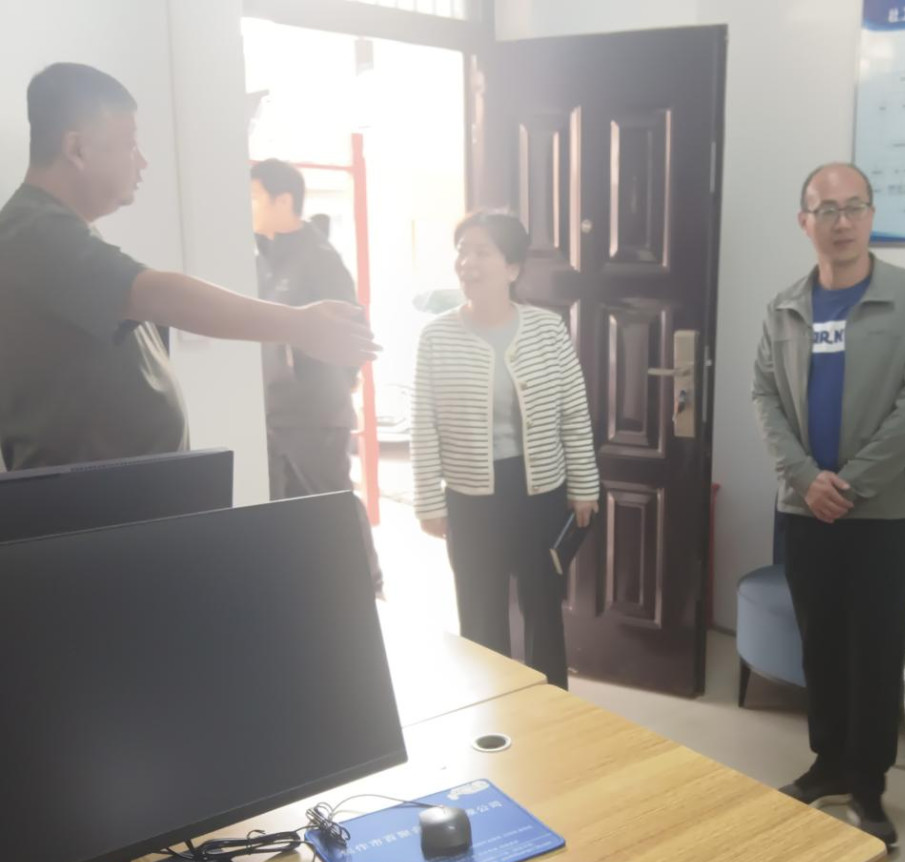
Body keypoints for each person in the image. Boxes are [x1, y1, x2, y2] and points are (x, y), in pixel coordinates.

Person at [0, 63, 376, 472]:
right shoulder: (32, 231)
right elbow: (158, 295)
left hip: (116, 492)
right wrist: (301, 325)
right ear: (77, 149)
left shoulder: (52, 232)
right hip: (88, 500)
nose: (142, 162)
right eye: (130, 144)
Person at [752, 163, 905, 847]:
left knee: (874, 649)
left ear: (871, 215)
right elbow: (765, 397)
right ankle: (827, 763)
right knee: (821, 643)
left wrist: (851, 483)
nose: (841, 221)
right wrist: (807, 479)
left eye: (854, 206)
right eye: (826, 209)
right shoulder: (784, 307)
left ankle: (869, 783)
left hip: (885, 510)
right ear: (804, 222)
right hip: (805, 508)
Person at [412, 211, 599, 689]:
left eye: (482, 252)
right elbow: (424, 426)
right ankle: (491, 709)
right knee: (480, 614)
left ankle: (551, 704)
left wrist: (584, 486)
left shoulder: (547, 329)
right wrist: (429, 501)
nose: (467, 263)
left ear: (512, 268)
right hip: (470, 495)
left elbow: (574, 413)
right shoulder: (436, 337)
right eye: (462, 252)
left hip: (539, 490)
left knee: (543, 606)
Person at [250, 158, 382, 594]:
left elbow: (353, 333)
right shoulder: (262, 256)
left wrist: (335, 385)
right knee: (286, 518)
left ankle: (365, 590)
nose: (247, 206)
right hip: (274, 410)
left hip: (315, 413)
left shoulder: (319, 257)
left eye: (254, 197)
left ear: (283, 200)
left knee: (331, 507)